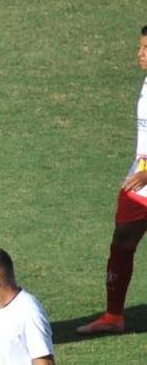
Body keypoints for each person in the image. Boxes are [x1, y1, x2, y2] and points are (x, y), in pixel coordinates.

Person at [78, 25, 147, 334]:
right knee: (122, 240)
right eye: (140, 47)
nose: (140, 54)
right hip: (140, 181)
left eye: (146, 49)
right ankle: (113, 316)